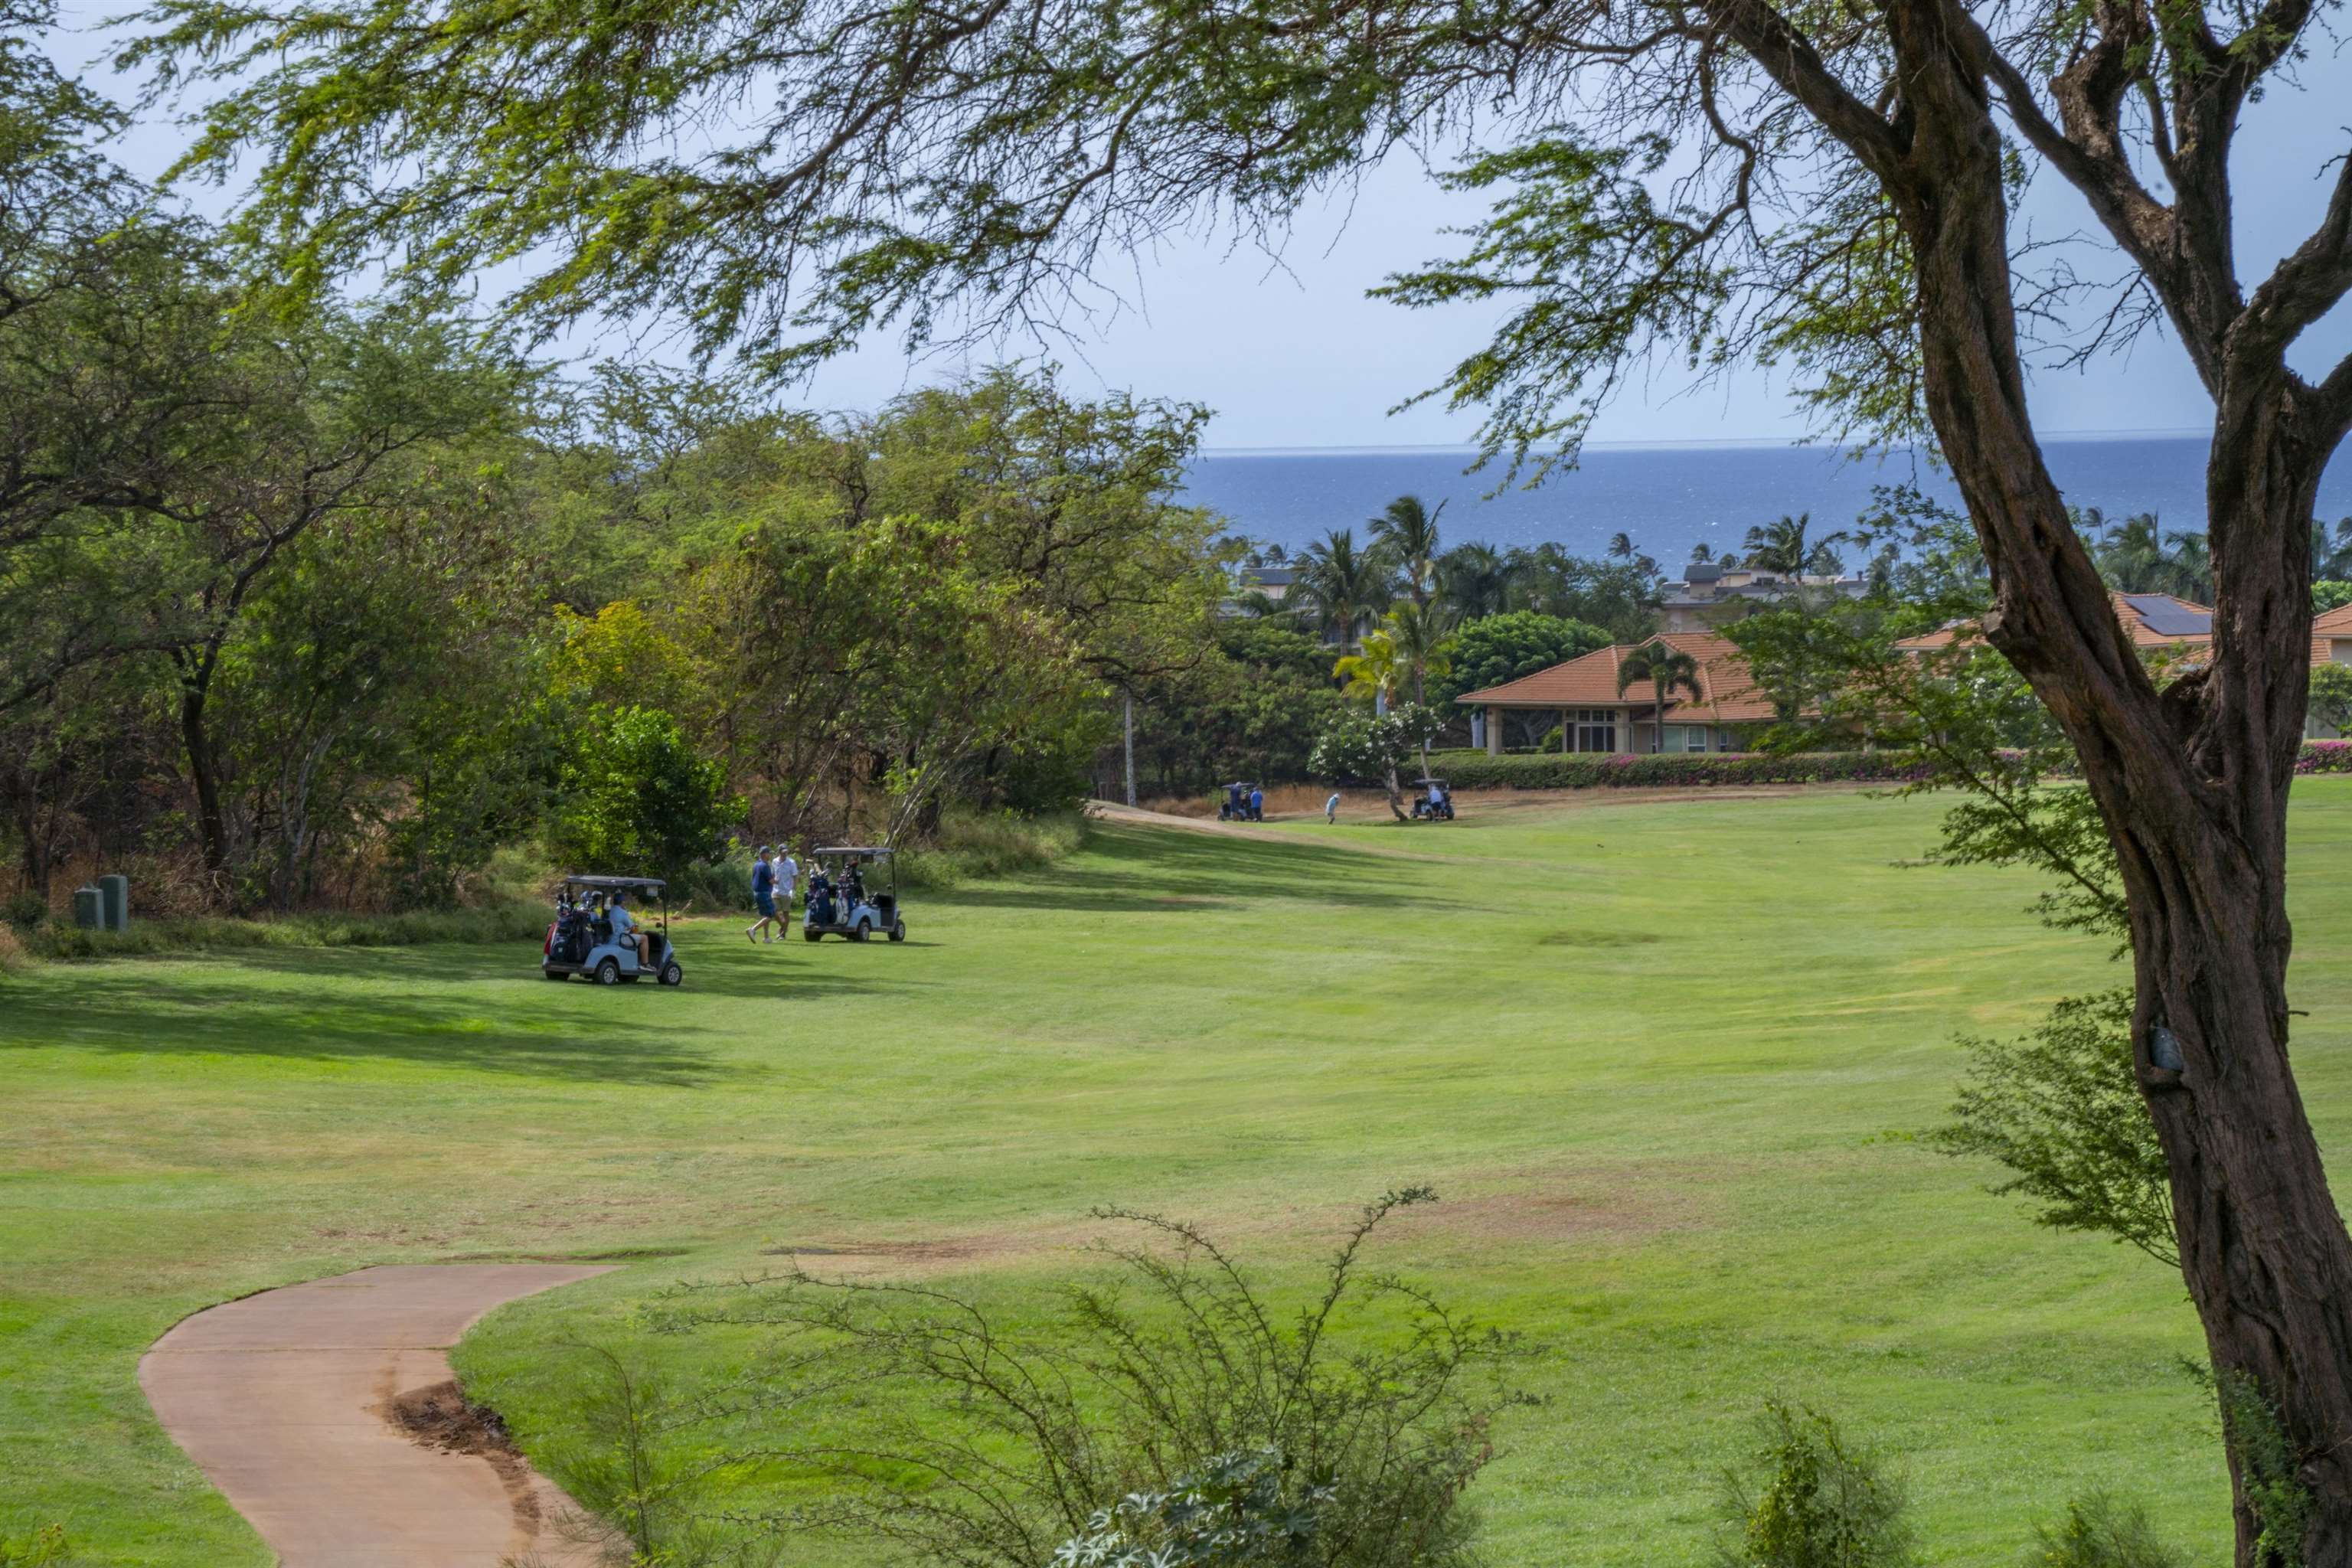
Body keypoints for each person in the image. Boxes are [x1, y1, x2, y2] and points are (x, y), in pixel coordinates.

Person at [609, 891, 652, 968]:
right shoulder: (622, 912)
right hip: (619, 939)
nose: (625, 903)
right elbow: (633, 927)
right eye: (624, 901)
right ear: (622, 902)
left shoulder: (610, 911)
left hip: (611, 938)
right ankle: (645, 964)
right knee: (645, 938)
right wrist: (639, 931)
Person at [747, 846, 778, 944]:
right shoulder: (765, 866)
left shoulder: (756, 865)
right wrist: (778, 880)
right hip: (764, 893)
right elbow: (771, 881)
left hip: (757, 893)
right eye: (769, 853)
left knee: (766, 915)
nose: (770, 855)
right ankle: (753, 930)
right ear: (764, 854)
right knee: (770, 915)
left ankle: (766, 938)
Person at [774, 843, 799, 923]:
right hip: (776, 890)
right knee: (774, 911)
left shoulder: (791, 862)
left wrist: (793, 890)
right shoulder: (775, 861)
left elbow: (795, 876)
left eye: (786, 852)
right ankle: (783, 926)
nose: (785, 854)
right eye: (783, 852)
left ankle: (783, 930)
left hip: (787, 891)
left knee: (786, 912)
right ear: (779, 852)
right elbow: (772, 874)